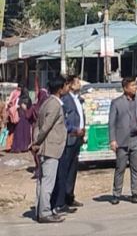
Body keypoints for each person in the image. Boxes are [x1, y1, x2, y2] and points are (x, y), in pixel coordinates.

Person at [31, 76, 67, 224]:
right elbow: (45, 126)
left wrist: (36, 142)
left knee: (42, 181)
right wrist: (37, 142)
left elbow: (38, 125)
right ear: (60, 89)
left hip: (44, 147)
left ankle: (40, 211)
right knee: (47, 182)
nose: (67, 88)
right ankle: (45, 212)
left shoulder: (46, 102)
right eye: (65, 86)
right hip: (50, 147)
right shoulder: (54, 105)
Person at [109, 77, 137, 205]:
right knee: (120, 168)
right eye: (132, 85)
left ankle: (134, 193)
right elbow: (111, 123)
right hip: (121, 140)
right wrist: (113, 140)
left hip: (136, 139)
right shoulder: (116, 103)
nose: (135, 87)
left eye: (135, 85)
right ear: (125, 88)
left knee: (135, 168)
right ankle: (116, 193)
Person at [53, 75, 85, 215]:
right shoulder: (65, 99)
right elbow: (64, 119)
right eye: (77, 82)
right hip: (69, 138)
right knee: (64, 171)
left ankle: (69, 196)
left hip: (78, 137)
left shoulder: (78, 99)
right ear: (70, 85)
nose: (80, 84)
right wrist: (73, 130)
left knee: (73, 170)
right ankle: (61, 201)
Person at [10, 85, 32, 153]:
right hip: (26, 118)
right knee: (25, 133)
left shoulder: (20, 99)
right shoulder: (29, 99)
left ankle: (17, 147)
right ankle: (24, 147)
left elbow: (19, 107)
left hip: (20, 117)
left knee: (19, 132)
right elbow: (29, 107)